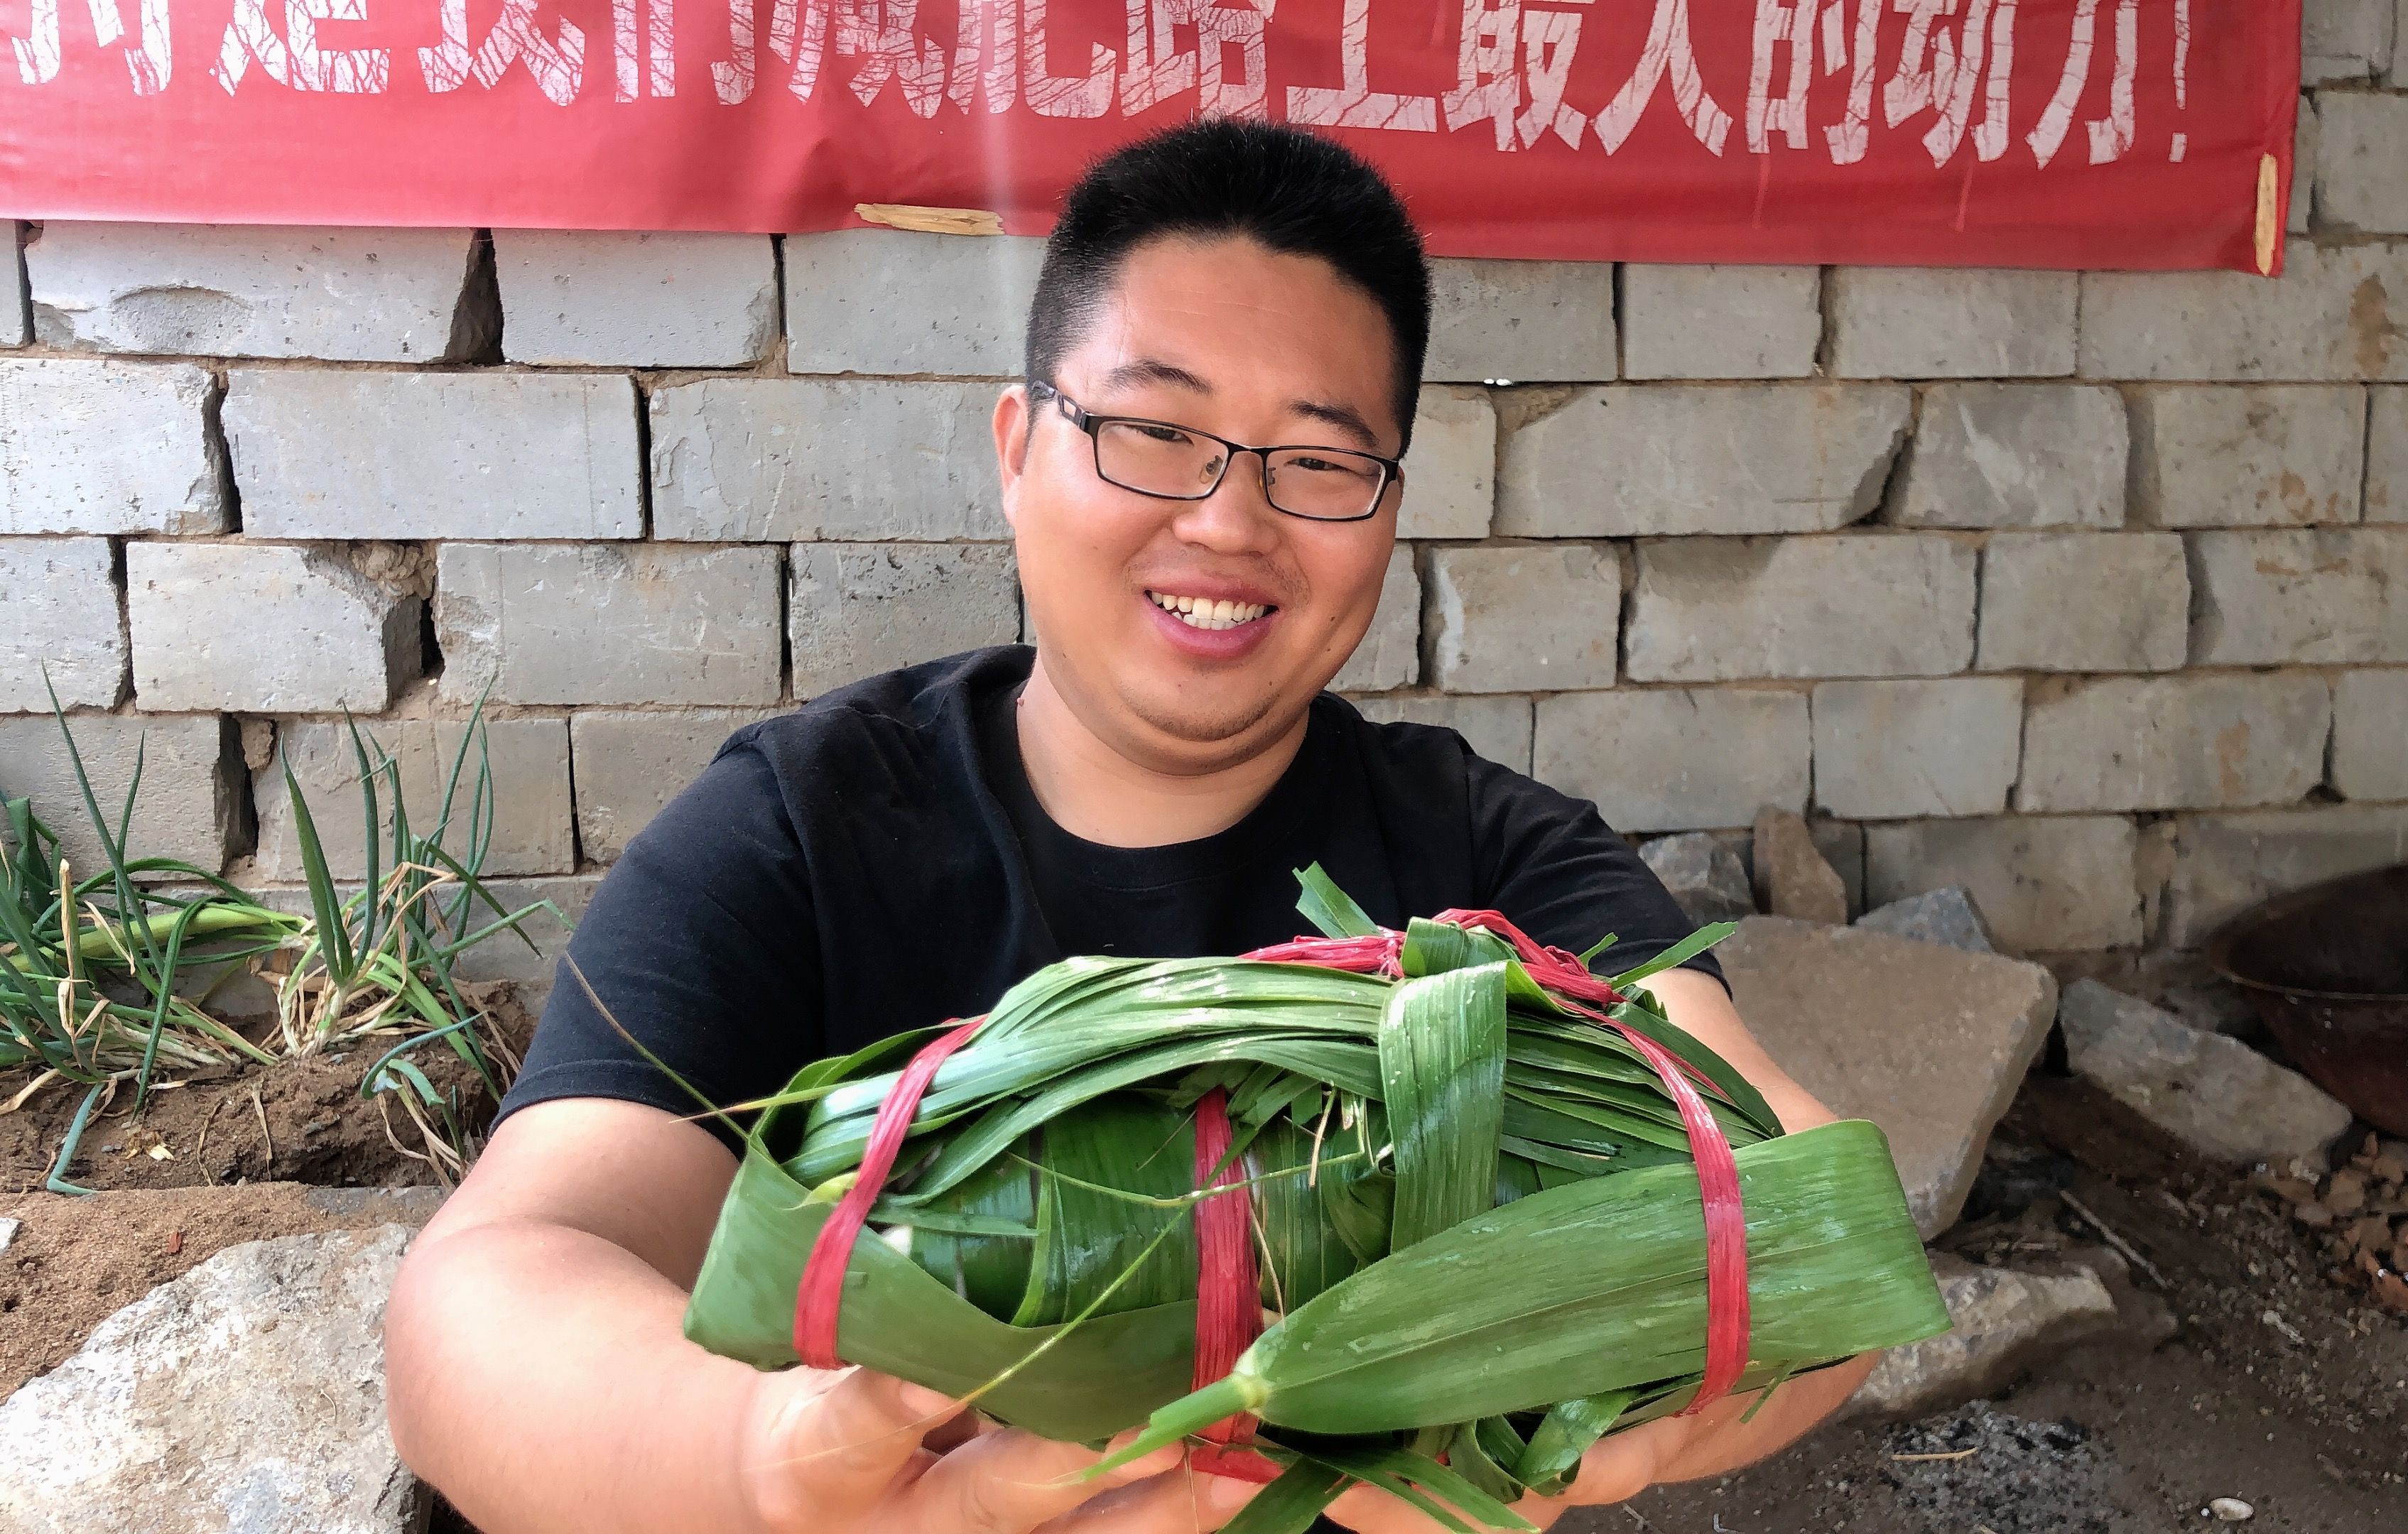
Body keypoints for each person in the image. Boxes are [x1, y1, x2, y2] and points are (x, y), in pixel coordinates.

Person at [385, 119, 1873, 1534]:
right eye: (1157, 430)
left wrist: (1694, 1408)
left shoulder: (1496, 863)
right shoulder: (802, 830)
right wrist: (769, 1466)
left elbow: (1814, 1217)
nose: (1230, 521)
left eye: (1318, 458)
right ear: (1019, 448)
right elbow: (491, 1297)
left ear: (1389, 509)